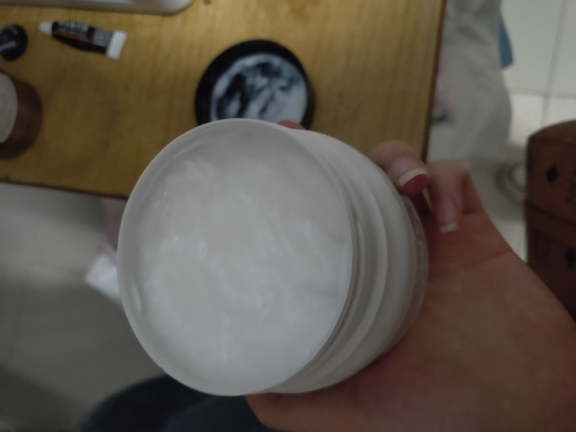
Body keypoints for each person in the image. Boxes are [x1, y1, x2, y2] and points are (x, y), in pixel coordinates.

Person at [82, 122, 576, 432]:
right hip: (327, 360)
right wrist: (548, 400)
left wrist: (549, 406)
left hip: (326, 359)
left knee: (113, 420)